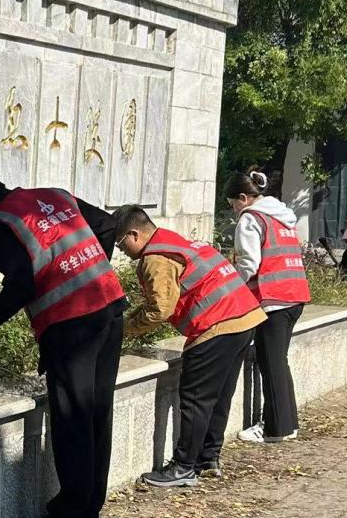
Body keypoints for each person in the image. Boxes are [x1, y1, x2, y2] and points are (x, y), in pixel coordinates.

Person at [0, 162, 126, 518]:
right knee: (96, 415)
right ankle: (88, 515)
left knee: (72, 422)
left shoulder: (0, 226)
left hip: (72, 326)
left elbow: (21, 286)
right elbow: (108, 226)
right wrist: (89, 274)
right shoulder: (53, 196)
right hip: (108, 308)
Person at [115, 206, 265, 487]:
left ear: (134, 234)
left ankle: (183, 468)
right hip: (244, 318)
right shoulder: (176, 242)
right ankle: (208, 458)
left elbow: (160, 309)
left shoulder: (156, 258)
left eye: (120, 243)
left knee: (195, 399)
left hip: (216, 325)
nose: (120, 250)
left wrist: (122, 328)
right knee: (218, 396)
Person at [225, 169, 310, 445]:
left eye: (233, 204)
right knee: (279, 361)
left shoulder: (251, 218)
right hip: (294, 295)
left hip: (272, 299)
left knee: (270, 363)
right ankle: (288, 423)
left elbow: (248, 264)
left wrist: (229, 287)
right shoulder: (281, 216)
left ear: (243, 198)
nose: (234, 210)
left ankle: (274, 429)